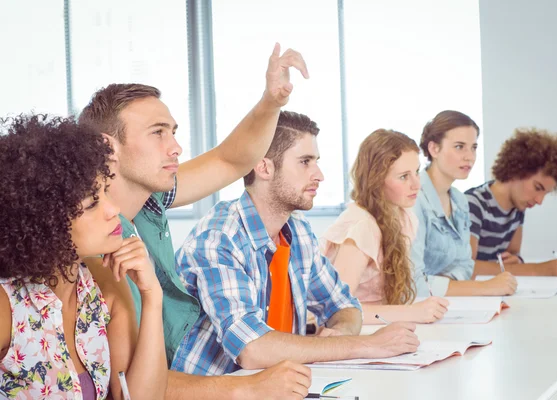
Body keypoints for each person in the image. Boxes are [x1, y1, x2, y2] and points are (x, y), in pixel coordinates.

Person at [78, 44, 314, 399]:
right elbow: (130, 387)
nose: (176, 147)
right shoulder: (91, 238)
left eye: (173, 131)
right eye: (158, 133)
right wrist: (248, 387)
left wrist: (271, 102)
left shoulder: (149, 198)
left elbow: (231, 160)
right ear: (107, 147)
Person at [173, 111, 420, 376]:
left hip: (279, 386)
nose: (320, 175)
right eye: (305, 162)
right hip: (220, 390)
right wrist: (365, 345)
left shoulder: (298, 232)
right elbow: (252, 348)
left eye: (316, 161)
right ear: (264, 167)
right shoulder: (220, 238)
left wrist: (340, 334)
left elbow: (344, 304)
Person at [0, 115, 166, 399]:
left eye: (105, 192)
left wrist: (152, 297)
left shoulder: (104, 281)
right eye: (92, 203)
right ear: (46, 222)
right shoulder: (7, 306)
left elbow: (139, 396)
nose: (113, 210)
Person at [320, 129, 448, 324]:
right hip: (349, 333)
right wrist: (413, 313)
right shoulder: (361, 225)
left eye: (416, 172)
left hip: (377, 328)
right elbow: (336, 310)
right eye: (404, 176)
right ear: (376, 180)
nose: (416, 184)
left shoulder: (406, 218)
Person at [410, 110, 518, 296]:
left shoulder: (460, 201)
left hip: (450, 304)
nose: (470, 156)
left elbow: (465, 265)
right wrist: (484, 287)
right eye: (459, 147)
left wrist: (449, 286)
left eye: (473, 147)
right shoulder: (413, 198)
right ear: (434, 149)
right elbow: (412, 283)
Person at [465, 128, 557, 278]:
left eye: (545, 193)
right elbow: (467, 268)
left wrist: (516, 261)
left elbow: (513, 255)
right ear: (517, 171)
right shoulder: (472, 204)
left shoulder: (517, 209)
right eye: (537, 188)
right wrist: (538, 270)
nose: (539, 200)